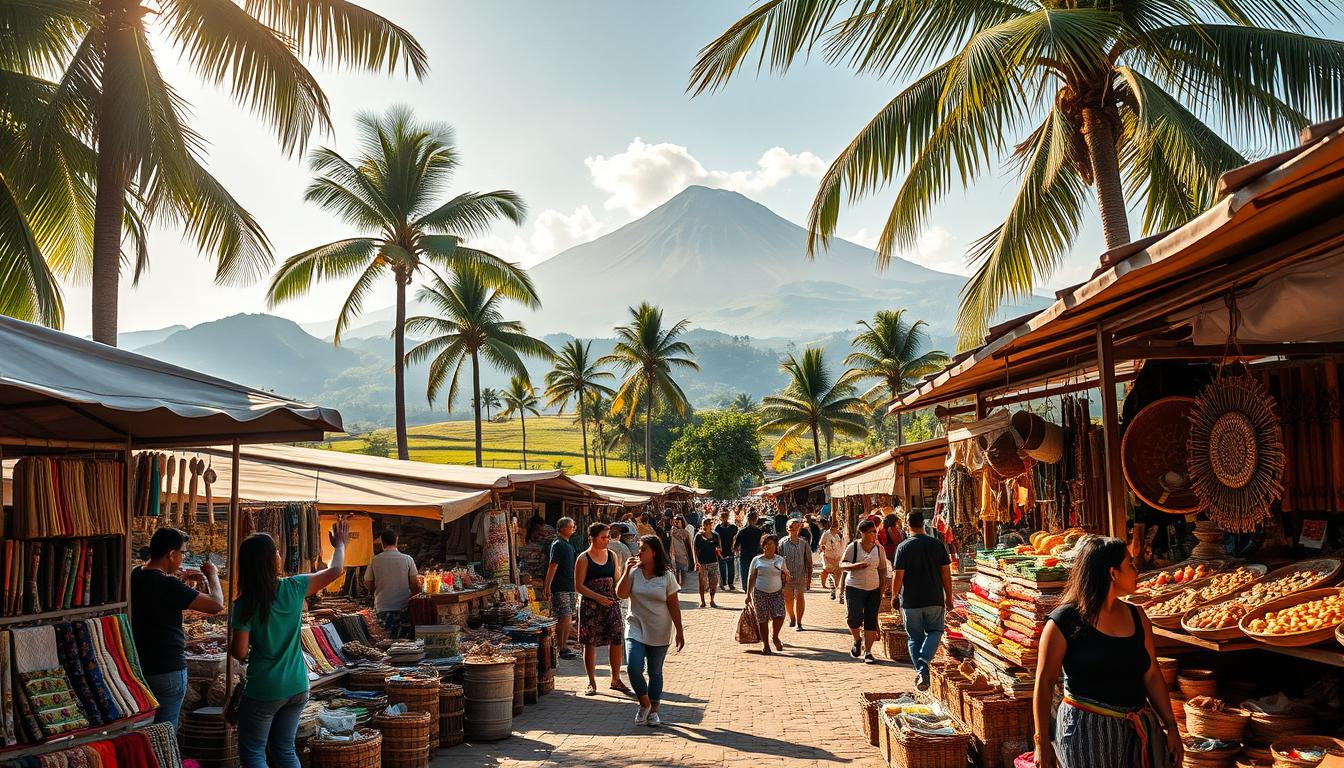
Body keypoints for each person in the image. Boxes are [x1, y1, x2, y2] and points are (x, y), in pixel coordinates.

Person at [1033, 537, 1182, 768]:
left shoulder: (1137, 617)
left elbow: (1152, 674)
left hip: (1135, 730)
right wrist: (1042, 744)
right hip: (1085, 732)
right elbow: (1045, 682)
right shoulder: (1064, 621)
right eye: (1130, 564)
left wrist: (1171, 726)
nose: (1137, 570)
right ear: (1113, 573)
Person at [230, 520, 348, 768]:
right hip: (297, 684)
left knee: (253, 753)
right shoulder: (294, 587)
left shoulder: (244, 604)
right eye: (277, 551)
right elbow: (336, 569)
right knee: (284, 750)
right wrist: (339, 545)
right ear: (273, 559)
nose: (280, 554)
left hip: (264, 688)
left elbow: (240, 652)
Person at [131, 528, 225, 728]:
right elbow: (216, 604)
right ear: (171, 554)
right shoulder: (168, 584)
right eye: (183, 553)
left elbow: (156, 599)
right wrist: (213, 575)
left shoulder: (135, 574)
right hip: (167, 668)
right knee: (165, 731)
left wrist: (180, 583)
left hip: (138, 666)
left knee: (144, 730)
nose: (183, 558)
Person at [616, 535, 685, 728]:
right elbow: (620, 594)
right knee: (633, 667)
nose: (639, 553)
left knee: (655, 672)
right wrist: (626, 571)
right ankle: (644, 704)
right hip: (635, 625)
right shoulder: (634, 572)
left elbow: (674, 606)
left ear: (654, 552)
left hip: (659, 628)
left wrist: (679, 631)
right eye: (639, 549)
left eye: (643, 549)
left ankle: (654, 711)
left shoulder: (667, 576)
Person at [890, 511, 954, 689]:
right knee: (935, 631)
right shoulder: (937, 544)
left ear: (907, 524)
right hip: (934, 598)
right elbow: (946, 574)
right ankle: (924, 661)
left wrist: (895, 596)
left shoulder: (903, 547)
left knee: (914, 638)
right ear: (923, 524)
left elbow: (898, 575)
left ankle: (921, 668)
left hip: (911, 601)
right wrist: (949, 597)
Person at [574, 522, 630, 697]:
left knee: (616, 640)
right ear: (592, 538)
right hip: (591, 605)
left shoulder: (612, 556)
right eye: (603, 537)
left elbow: (616, 579)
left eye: (607, 537)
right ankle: (591, 681)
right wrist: (598, 598)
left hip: (610, 603)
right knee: (590, 643)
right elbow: (579, 586)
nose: (606, 540)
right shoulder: (583, 558)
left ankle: (615, 678)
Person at [841, 519, 889, 663]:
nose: (874, 534)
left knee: (870, 620)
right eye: (871, 532)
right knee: (853, 618)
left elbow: (882, 570)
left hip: (873, 589)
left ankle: (868, 652)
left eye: (875, 531)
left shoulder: (879, 549)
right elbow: (842, 564)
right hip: (854, 588)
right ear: (863, 533)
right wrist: (857, 565)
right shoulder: (854, 547)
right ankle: (857, 639)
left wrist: (882, 589)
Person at [363, 528, 420, 640]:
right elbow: (415, 584)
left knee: (386, 642)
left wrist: (374, 592)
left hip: (383, 607)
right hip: (403, 606)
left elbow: (368, 581)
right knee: (404, 642)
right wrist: (410, 597)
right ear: (396, 540)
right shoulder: (407, 559)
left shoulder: (375, 560)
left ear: (382, 542)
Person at [746, 534, 788, 654]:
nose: (769, 546)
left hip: (777, 593)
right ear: (763, 546)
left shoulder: (780, 560)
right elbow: (751, 577)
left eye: (772, 544)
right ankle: (766, 645)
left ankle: (775, 637)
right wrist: (748, 594)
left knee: (779, 615)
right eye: (767, 544)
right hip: (760, 593)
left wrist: (788, 576)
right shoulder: (757, 560)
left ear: (776, 546)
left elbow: (785, 575)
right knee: (762, 619)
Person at [544, 517, 579, 660]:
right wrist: (547, 586)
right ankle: (560, 647)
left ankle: (563, 646)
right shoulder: (558, 544)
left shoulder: (569, 545)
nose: (573, 529)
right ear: (563, 528)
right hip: (560, 586)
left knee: (568, 617)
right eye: (571, 527)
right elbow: (553, 566)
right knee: (563, 617)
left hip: (570, 586)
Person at [778, 518, 813, 631]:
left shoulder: (804, 543)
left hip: (800, 576)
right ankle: (792, 617)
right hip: (786, 577)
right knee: (788, 599)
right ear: (787, 528)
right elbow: (778, 560)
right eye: (791, 526)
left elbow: (808, 561)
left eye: (795, 526)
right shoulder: (782, 542)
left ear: (799, 528)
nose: (793, 528)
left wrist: (808, 578)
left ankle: (799, 622)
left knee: (800, 597)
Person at [692, 517, 721, 608]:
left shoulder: (715, 535)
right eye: (708, 524)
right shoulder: (698, 536)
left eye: (710, 524)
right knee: (702, 582)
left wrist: (719, 552)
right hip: (702, 562)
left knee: (714, 582)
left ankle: (712, 600)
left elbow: (718, 547)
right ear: (704, 525)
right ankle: (702, 600)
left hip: (713, 561)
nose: (709, 526)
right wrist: (696, 562)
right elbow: (695, 549)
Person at [818, 515, 847, 601]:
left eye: (836, 523)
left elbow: (844, 544)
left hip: (839, 558)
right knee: (828, 570)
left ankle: (835, 588)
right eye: (833, 523)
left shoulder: (840, 534)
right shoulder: (826, 533)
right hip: (829, 557)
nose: (835, 525)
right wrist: (823, 549)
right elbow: (821, 544)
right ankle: (828, 586)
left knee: (838, 575)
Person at [734, 511, 763, 593]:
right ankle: (754, 588)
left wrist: (736, 551)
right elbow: (760, 545)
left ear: (748, 519)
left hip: (744, 555)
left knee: (745, 573)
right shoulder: (759, 531)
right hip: (756, 555)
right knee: (755, 573)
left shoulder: (742, 531)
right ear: (756, 520)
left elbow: (735, 546)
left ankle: (746, 589)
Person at [713, 512, 739, 591]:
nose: (724, 519)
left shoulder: (733, 527)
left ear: (727, 517)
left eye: (725, 517)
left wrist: (735, 547)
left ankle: (730, 583)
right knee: (722, 568)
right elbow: (715, 540)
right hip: (721, 551)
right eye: (722, 517)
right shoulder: (717, 528)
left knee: (731, 567)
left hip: (730, 550)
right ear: (720, 518)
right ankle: (723, 583)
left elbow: (735, 538)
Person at [668, 515, 694, 585]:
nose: (676, 523)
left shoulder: (685, 532)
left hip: (683, 554)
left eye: (678, 522)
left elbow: (688, 542)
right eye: (675, 522)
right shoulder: (673, 530)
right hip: (674, 553)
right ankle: (677, 584)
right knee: (676, 570)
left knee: (683, 570)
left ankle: (682, 584)